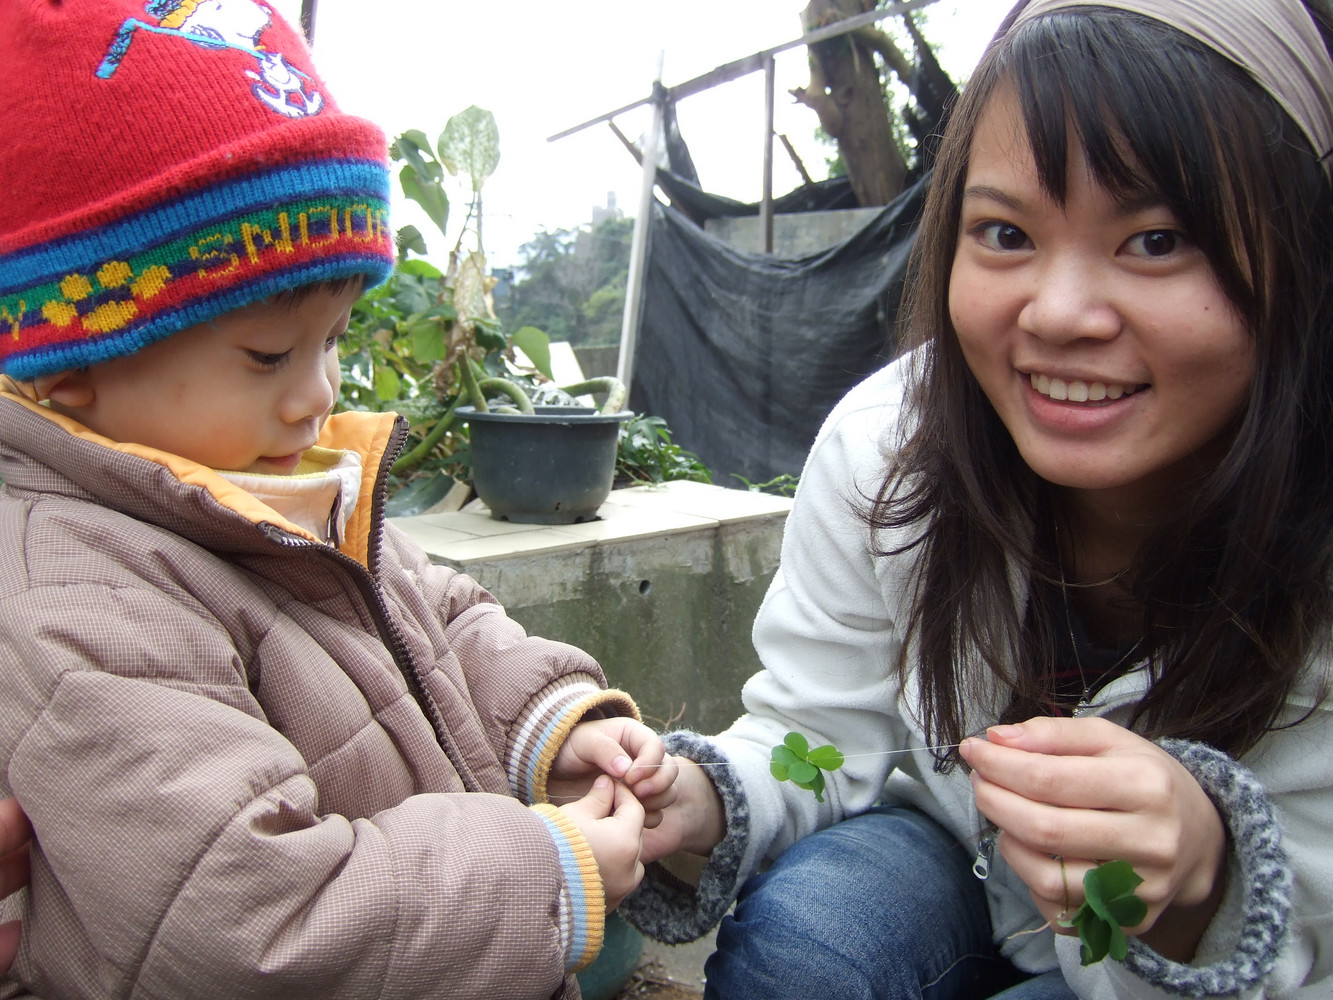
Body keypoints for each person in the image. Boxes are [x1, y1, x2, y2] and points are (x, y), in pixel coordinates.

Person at [622, 1, 1333, 998]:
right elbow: (816, 734)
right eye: (1004, 233)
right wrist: (694, 795)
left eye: (1156, 240)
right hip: (954, 853)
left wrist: (1200, 888)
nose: (1058, 313)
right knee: (802, 952)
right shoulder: (889, 450)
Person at [0, 2, 676, 997]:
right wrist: (545, 875)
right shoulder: (81, 604)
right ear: (73, 363)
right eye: (269, 353)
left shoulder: (268, 483)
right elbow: (253, 920)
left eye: (333, 340)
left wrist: (547, 723)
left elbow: (433, 618)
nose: (317, 394)